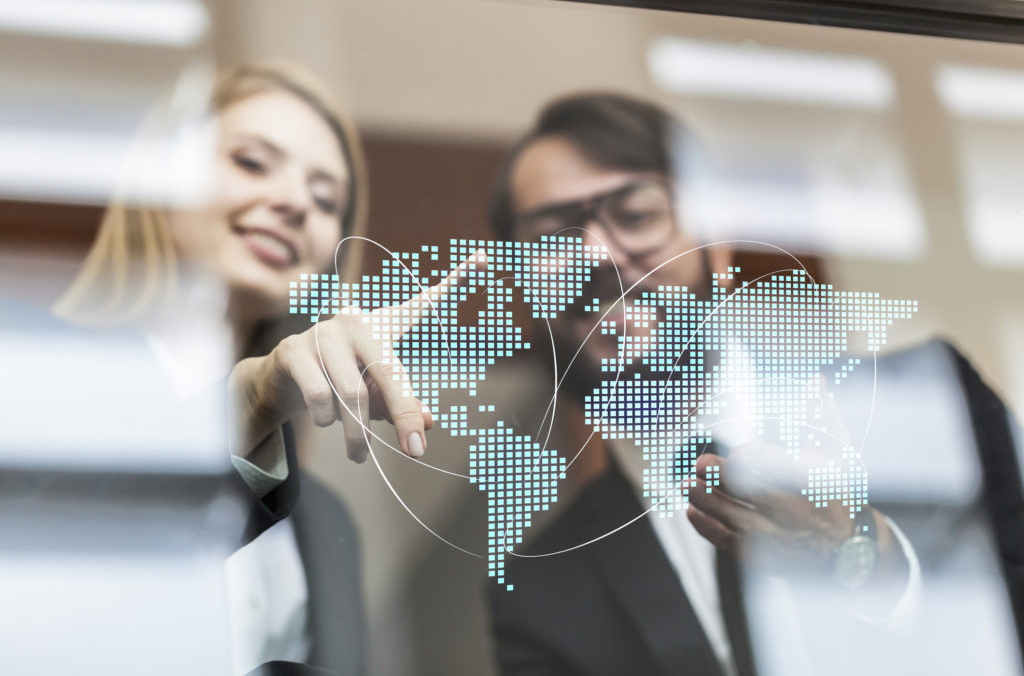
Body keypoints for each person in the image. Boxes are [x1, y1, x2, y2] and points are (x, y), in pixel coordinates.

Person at [484, 92, 1024, 675]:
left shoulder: (928, 402)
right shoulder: (537, 591)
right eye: (550, 236)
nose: (598, 255)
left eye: (636, 214)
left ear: (717, 242)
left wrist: (865, 557)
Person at [52, 61, 455, 675]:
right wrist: (247, 406)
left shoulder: (323, 521)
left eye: (326, 201)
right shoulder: (33, 394)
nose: (294, 202)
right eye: (251, 162)